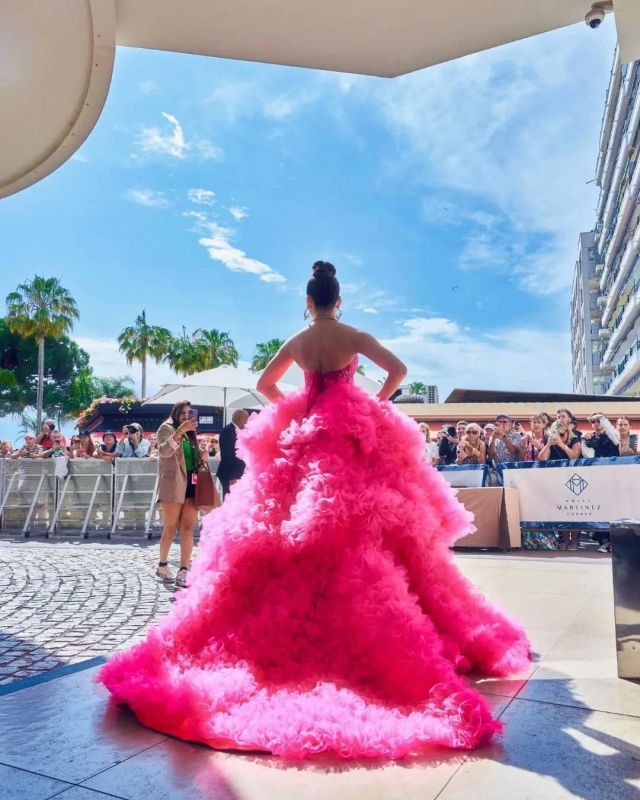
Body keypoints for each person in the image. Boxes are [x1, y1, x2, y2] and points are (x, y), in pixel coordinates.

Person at [99, 260, 530, 759]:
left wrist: (301, 404)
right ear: (338, 301)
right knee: (369, 528)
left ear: (308, 302)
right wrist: (373, 401)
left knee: (280, 526)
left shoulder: (299, 342)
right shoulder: (353, 335)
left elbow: (266, 384)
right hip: (347, 438)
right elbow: (399, 371)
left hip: (304, 438)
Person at [154, 401, 217, 588]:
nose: (186, 416)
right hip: (173, 485)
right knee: (170, 528)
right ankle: (162, 565)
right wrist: (180, 430)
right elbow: (164, 451)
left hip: (191, 484)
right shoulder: (166, 429)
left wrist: (202, 457)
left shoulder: (191, 434)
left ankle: (183, 570)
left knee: (188, 528)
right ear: (175, 413)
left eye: (189, 413)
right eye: (182, 413)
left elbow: (190, 459)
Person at [216, 410, 249, 497]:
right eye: (247, 419)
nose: (247, 422)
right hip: (230, 474)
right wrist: (232, 476)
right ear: (240, 418)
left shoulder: (235, 430)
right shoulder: (228, 431)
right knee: (230, 499)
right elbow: (227, 455)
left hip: (236, 473)